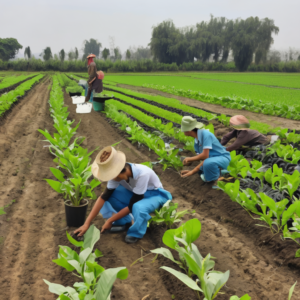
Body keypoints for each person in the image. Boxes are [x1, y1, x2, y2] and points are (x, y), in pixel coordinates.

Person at [74, 146, 172, 243]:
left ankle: (135, 233)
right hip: (136, 194)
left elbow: (132, 205)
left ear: (118, 173)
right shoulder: (117, 177)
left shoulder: (142, 174)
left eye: (111, 176)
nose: (110, 179)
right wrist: (86, 224)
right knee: (110, 196)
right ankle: (125, 221)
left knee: (138, 207)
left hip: (156, 196)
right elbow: (103, 197)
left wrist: (109, 221)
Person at [180, 116, 231, 183]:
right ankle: (219, 173)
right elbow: (204, 159)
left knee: (208, 164)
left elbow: (205, 156)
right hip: (212, 161)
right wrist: (192, 171)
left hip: (223, 158)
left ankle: (216, 180)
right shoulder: (196, 142)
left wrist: (189, 159)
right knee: (202, 169)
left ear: (189, 130)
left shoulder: (206, 135)